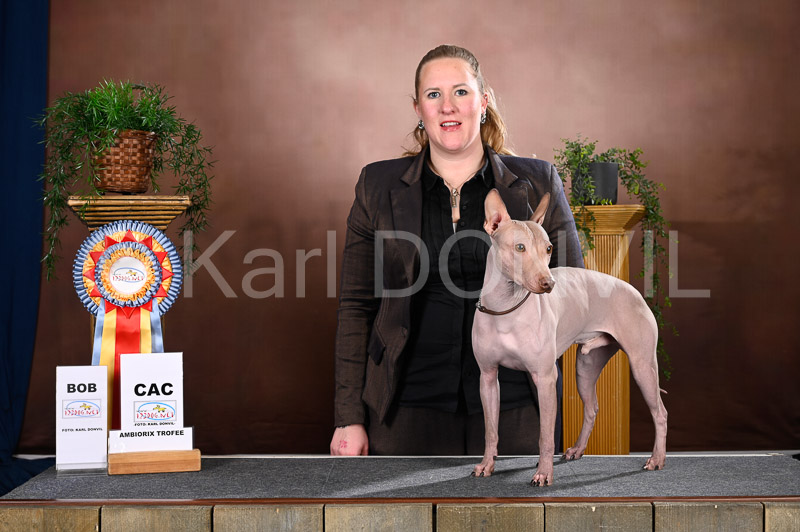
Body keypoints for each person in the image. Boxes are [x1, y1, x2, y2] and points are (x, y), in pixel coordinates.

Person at [330, 44, 583, 456]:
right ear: (418, 108)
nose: (448, 106)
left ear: (483, 102)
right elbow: (355, 306)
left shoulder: (539, 181)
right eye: (434, 94)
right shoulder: (376, 186)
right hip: (404, 407)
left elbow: (574, 287)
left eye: (461, 92)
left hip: (518, 406)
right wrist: (348, 417)